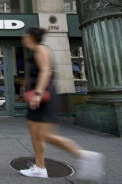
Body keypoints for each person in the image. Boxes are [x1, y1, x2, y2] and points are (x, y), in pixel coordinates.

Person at [19, 27, 104, 180]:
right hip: (38, 99)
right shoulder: (33, 52)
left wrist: (37, 93)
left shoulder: (40, 49)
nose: (23, 37)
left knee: (46, 135)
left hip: (44, 98)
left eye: (25, 35)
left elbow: (46, 71)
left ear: (31, 37)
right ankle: (40, 167)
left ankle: (84, 155)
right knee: (34, 132)